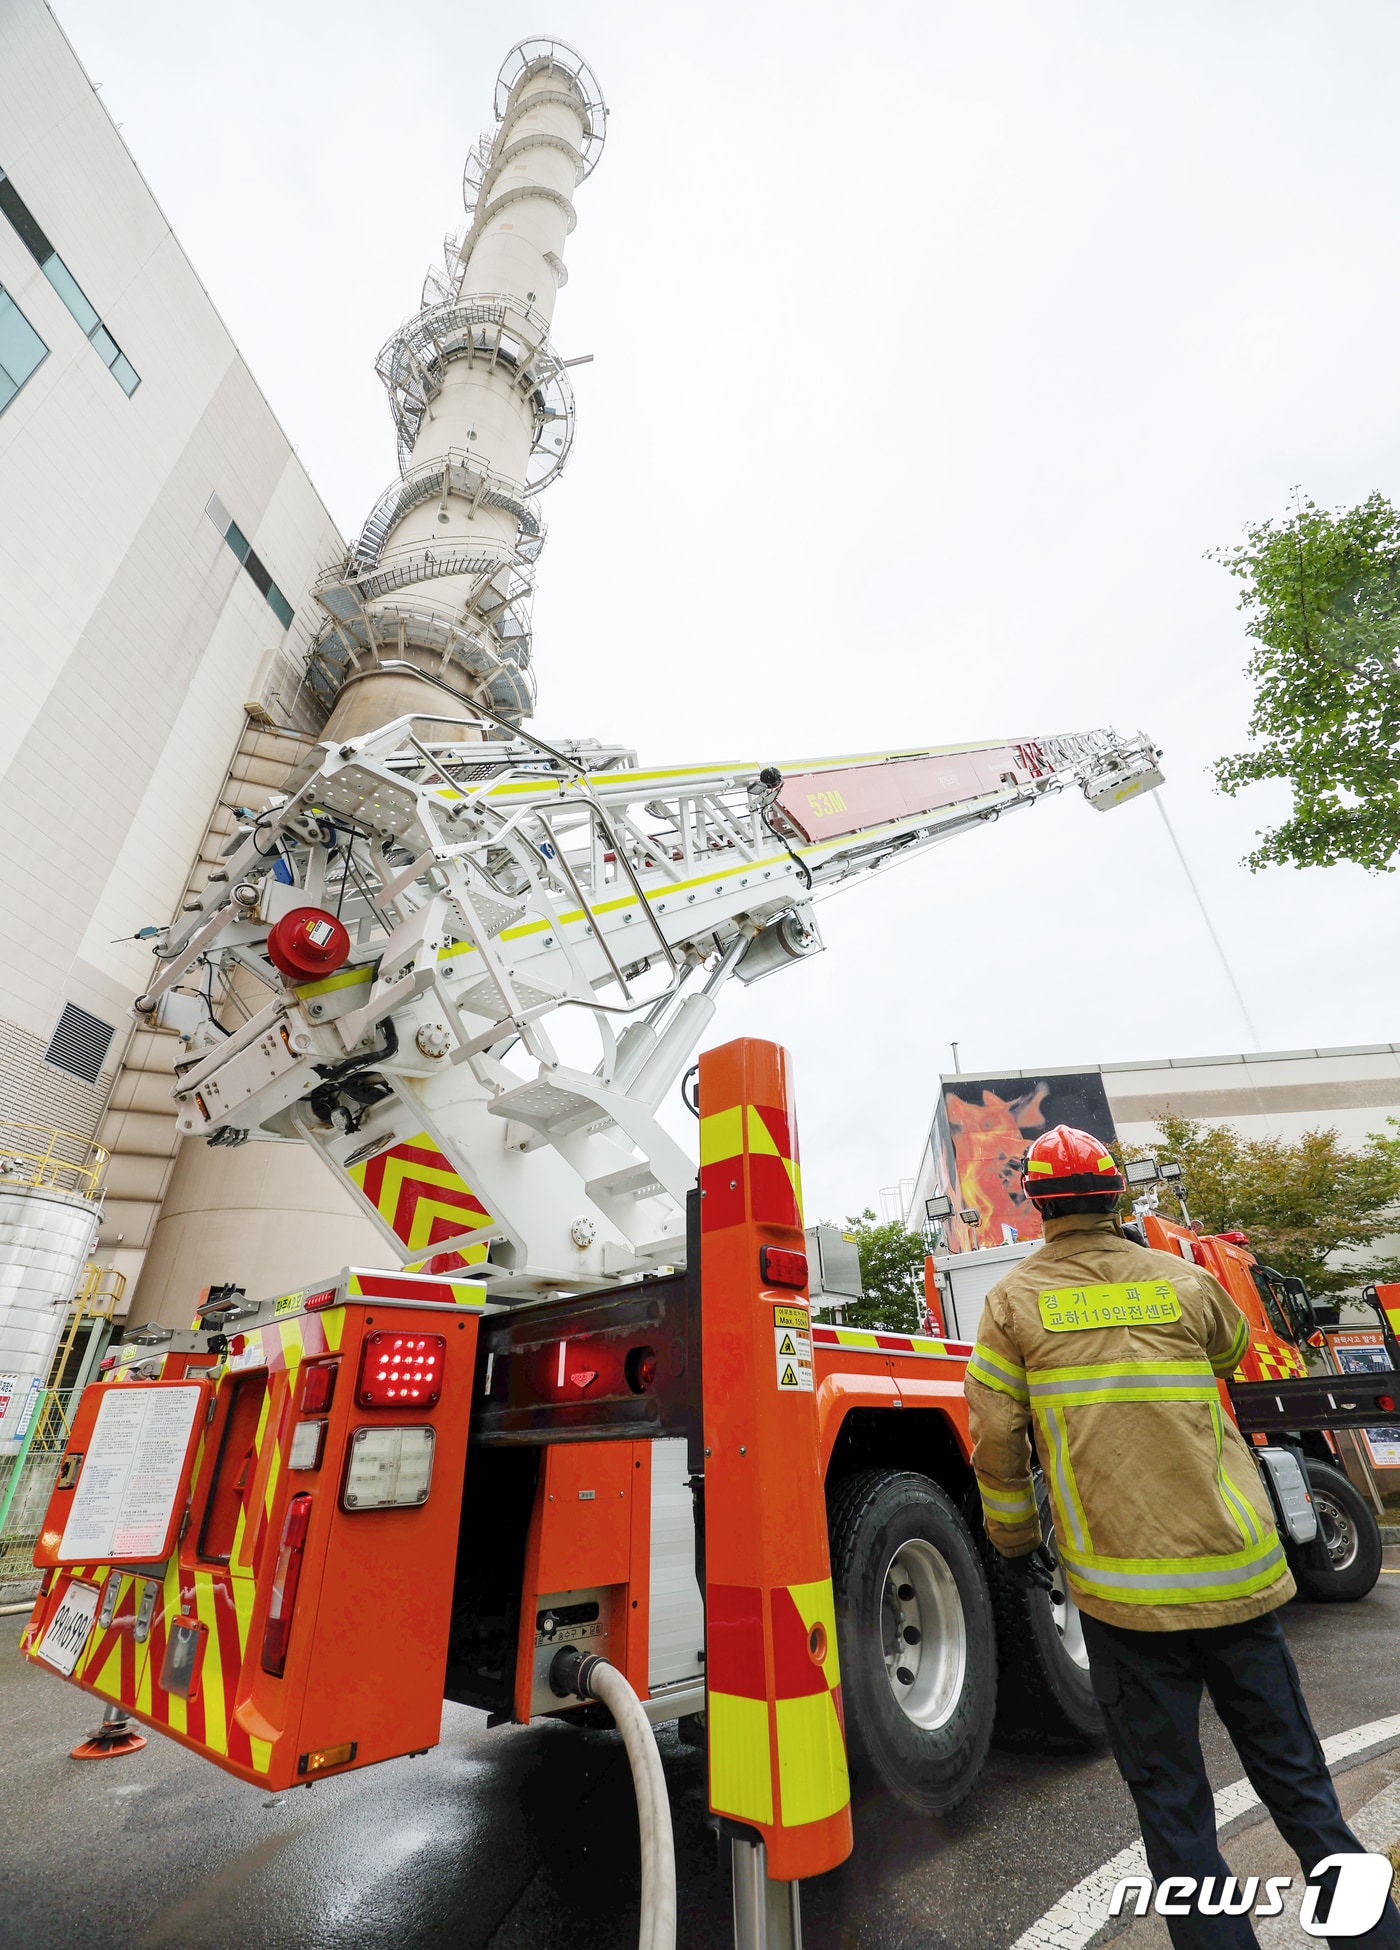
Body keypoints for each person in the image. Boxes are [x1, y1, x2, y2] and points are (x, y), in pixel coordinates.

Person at [964, 1124, 1400, 1950]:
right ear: (1116, 1194)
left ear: (1035, 1205)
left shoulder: (1011, 1304)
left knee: (1175, 1813)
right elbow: (1235, 1351)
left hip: (1126, 1609)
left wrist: (1015, 1544)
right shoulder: (1186, 1282)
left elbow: (995, 1444)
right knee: (1302, 1790)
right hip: (1237, 1584)